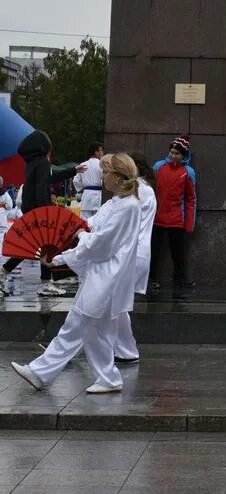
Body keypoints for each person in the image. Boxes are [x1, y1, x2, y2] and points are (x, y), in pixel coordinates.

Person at [11, 153, 142, 394]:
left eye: (105, 172)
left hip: (106, 277)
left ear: (117, 176)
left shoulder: (126, 206)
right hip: (103, 276)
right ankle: (108, 377)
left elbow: (101, 245)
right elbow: (95, 231)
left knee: (76, 325)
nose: (102, 176)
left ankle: (41, 372)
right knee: (95, 330)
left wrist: (70, 248)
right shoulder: (118, 203)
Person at [0, 131, 84, 297]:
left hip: (30, 208)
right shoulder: (43, 164)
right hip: (40, 210)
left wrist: (72, 171)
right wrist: (47, 211)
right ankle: (45, 283)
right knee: (45, 244)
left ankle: (4, 273)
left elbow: (48, 180)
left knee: (35, 246)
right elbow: (43, 187)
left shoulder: (32, 163)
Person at [113, 153, 158, 365]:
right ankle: (123, 349)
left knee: (112, 302)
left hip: (130, 252)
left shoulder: (139, 191)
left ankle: (125, 349)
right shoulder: (140, 190)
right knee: (112, 303)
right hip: (130, 251)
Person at [150, 134, 196, 288]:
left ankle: (179, 281)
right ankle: (151, 279)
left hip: (177, 220)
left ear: (183, 155)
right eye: (171, 152)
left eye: (176, 153)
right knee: (153, 252)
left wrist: (189, 223)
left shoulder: (188, 172)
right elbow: (149, 192)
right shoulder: (158, 167)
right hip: (157, 218)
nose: (173, 155)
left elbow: (191, 199)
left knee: (178, 254)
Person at [73, 142, 104, 220]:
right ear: (96, 152)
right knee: (97, 219)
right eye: (101, 151)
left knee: (85, 221)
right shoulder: (102, 165)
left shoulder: (83, 164)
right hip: (98, 195)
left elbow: (76, 180)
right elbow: (104, 179)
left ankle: (85, 232)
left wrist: (82, 188)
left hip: (86, 195)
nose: (102, 153)